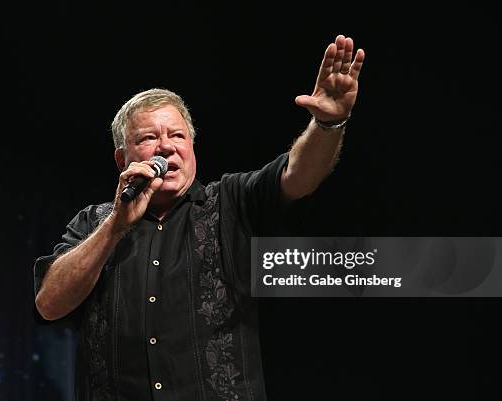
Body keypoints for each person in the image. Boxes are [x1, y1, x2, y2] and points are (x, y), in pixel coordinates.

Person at [34, 34, 365, 401]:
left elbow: (298, 176)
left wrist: (326, 125)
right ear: (121, 159)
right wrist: (115, 226)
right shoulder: (94, 222)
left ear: (191, 148)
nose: (166, 146)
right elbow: (49, 303)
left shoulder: (230, 200)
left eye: (177, 135)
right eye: (148, 137)